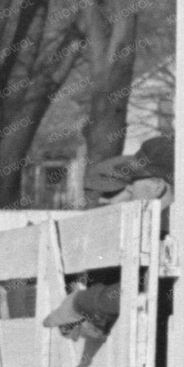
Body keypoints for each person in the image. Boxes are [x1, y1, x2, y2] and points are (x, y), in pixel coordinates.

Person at [40, 135, 174, 346]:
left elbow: (140, 292)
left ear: (157, 185)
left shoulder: (160, 232)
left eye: (133, 181)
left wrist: (79, 302)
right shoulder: (166, 227)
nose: (128, 188)